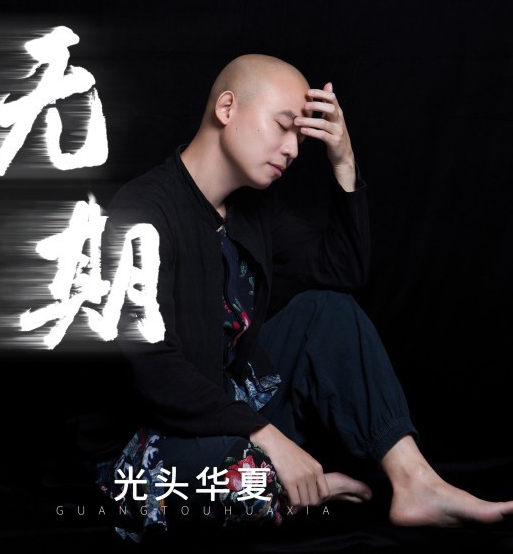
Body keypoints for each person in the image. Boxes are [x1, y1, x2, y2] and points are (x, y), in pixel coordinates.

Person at [71, 54, 513, 541]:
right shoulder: (140, 215)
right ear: (226, 108)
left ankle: (415, 482)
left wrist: (343, 159)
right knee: (243, 484)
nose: (293, 149)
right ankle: (297, 486)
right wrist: (267, 436)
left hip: (221, 404)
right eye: (284, 128)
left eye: (300, 138)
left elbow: (339, 272)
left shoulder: (252, 209)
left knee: (328, 312)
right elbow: (153, 367)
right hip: (141, 441)